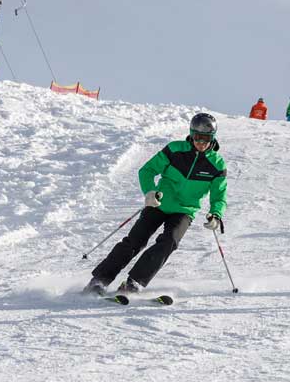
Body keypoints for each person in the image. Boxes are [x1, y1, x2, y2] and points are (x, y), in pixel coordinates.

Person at [84, 113, 227, 295]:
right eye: (197, 137)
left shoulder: (217, 164)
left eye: (206, 138)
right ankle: (99, 280)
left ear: (213, 138)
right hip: (158, 203)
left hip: (184, 210)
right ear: (191, 134)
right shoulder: (175, 150)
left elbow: (219, 195)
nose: (201, 142)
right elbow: (147, 170)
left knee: (169, 242)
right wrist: (150, 192)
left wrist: (216, 214)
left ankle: (134, 282)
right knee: (135, 241)